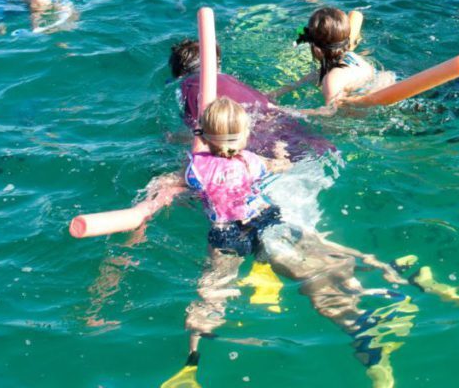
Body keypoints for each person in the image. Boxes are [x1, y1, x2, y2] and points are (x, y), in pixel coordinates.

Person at [176, 95, 417, 388]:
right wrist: (279, 153)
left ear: (204, 135)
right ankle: (370, 307)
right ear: (244, 136)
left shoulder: (195, 169)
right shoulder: (251, 162)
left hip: (226, 234)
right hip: (265, 221)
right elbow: (280, 167)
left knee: (211, 290)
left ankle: (192, 361)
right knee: (310, 262)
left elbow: (181, 184)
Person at [169, 37, 335, 161]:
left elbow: (202, 134)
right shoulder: (233, 81)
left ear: (180, 73)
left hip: (263, 154)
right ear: (218, 64)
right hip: (308, 141)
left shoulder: (189, 85)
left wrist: (172, 138)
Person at [271, 7, 395, 114]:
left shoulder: (331, 80)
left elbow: (330, 113)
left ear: (317, 49)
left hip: (373, 107)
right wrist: (276, 93)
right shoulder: (349, 55)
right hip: (388, 87)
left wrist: (283, 111)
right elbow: (316, 75)